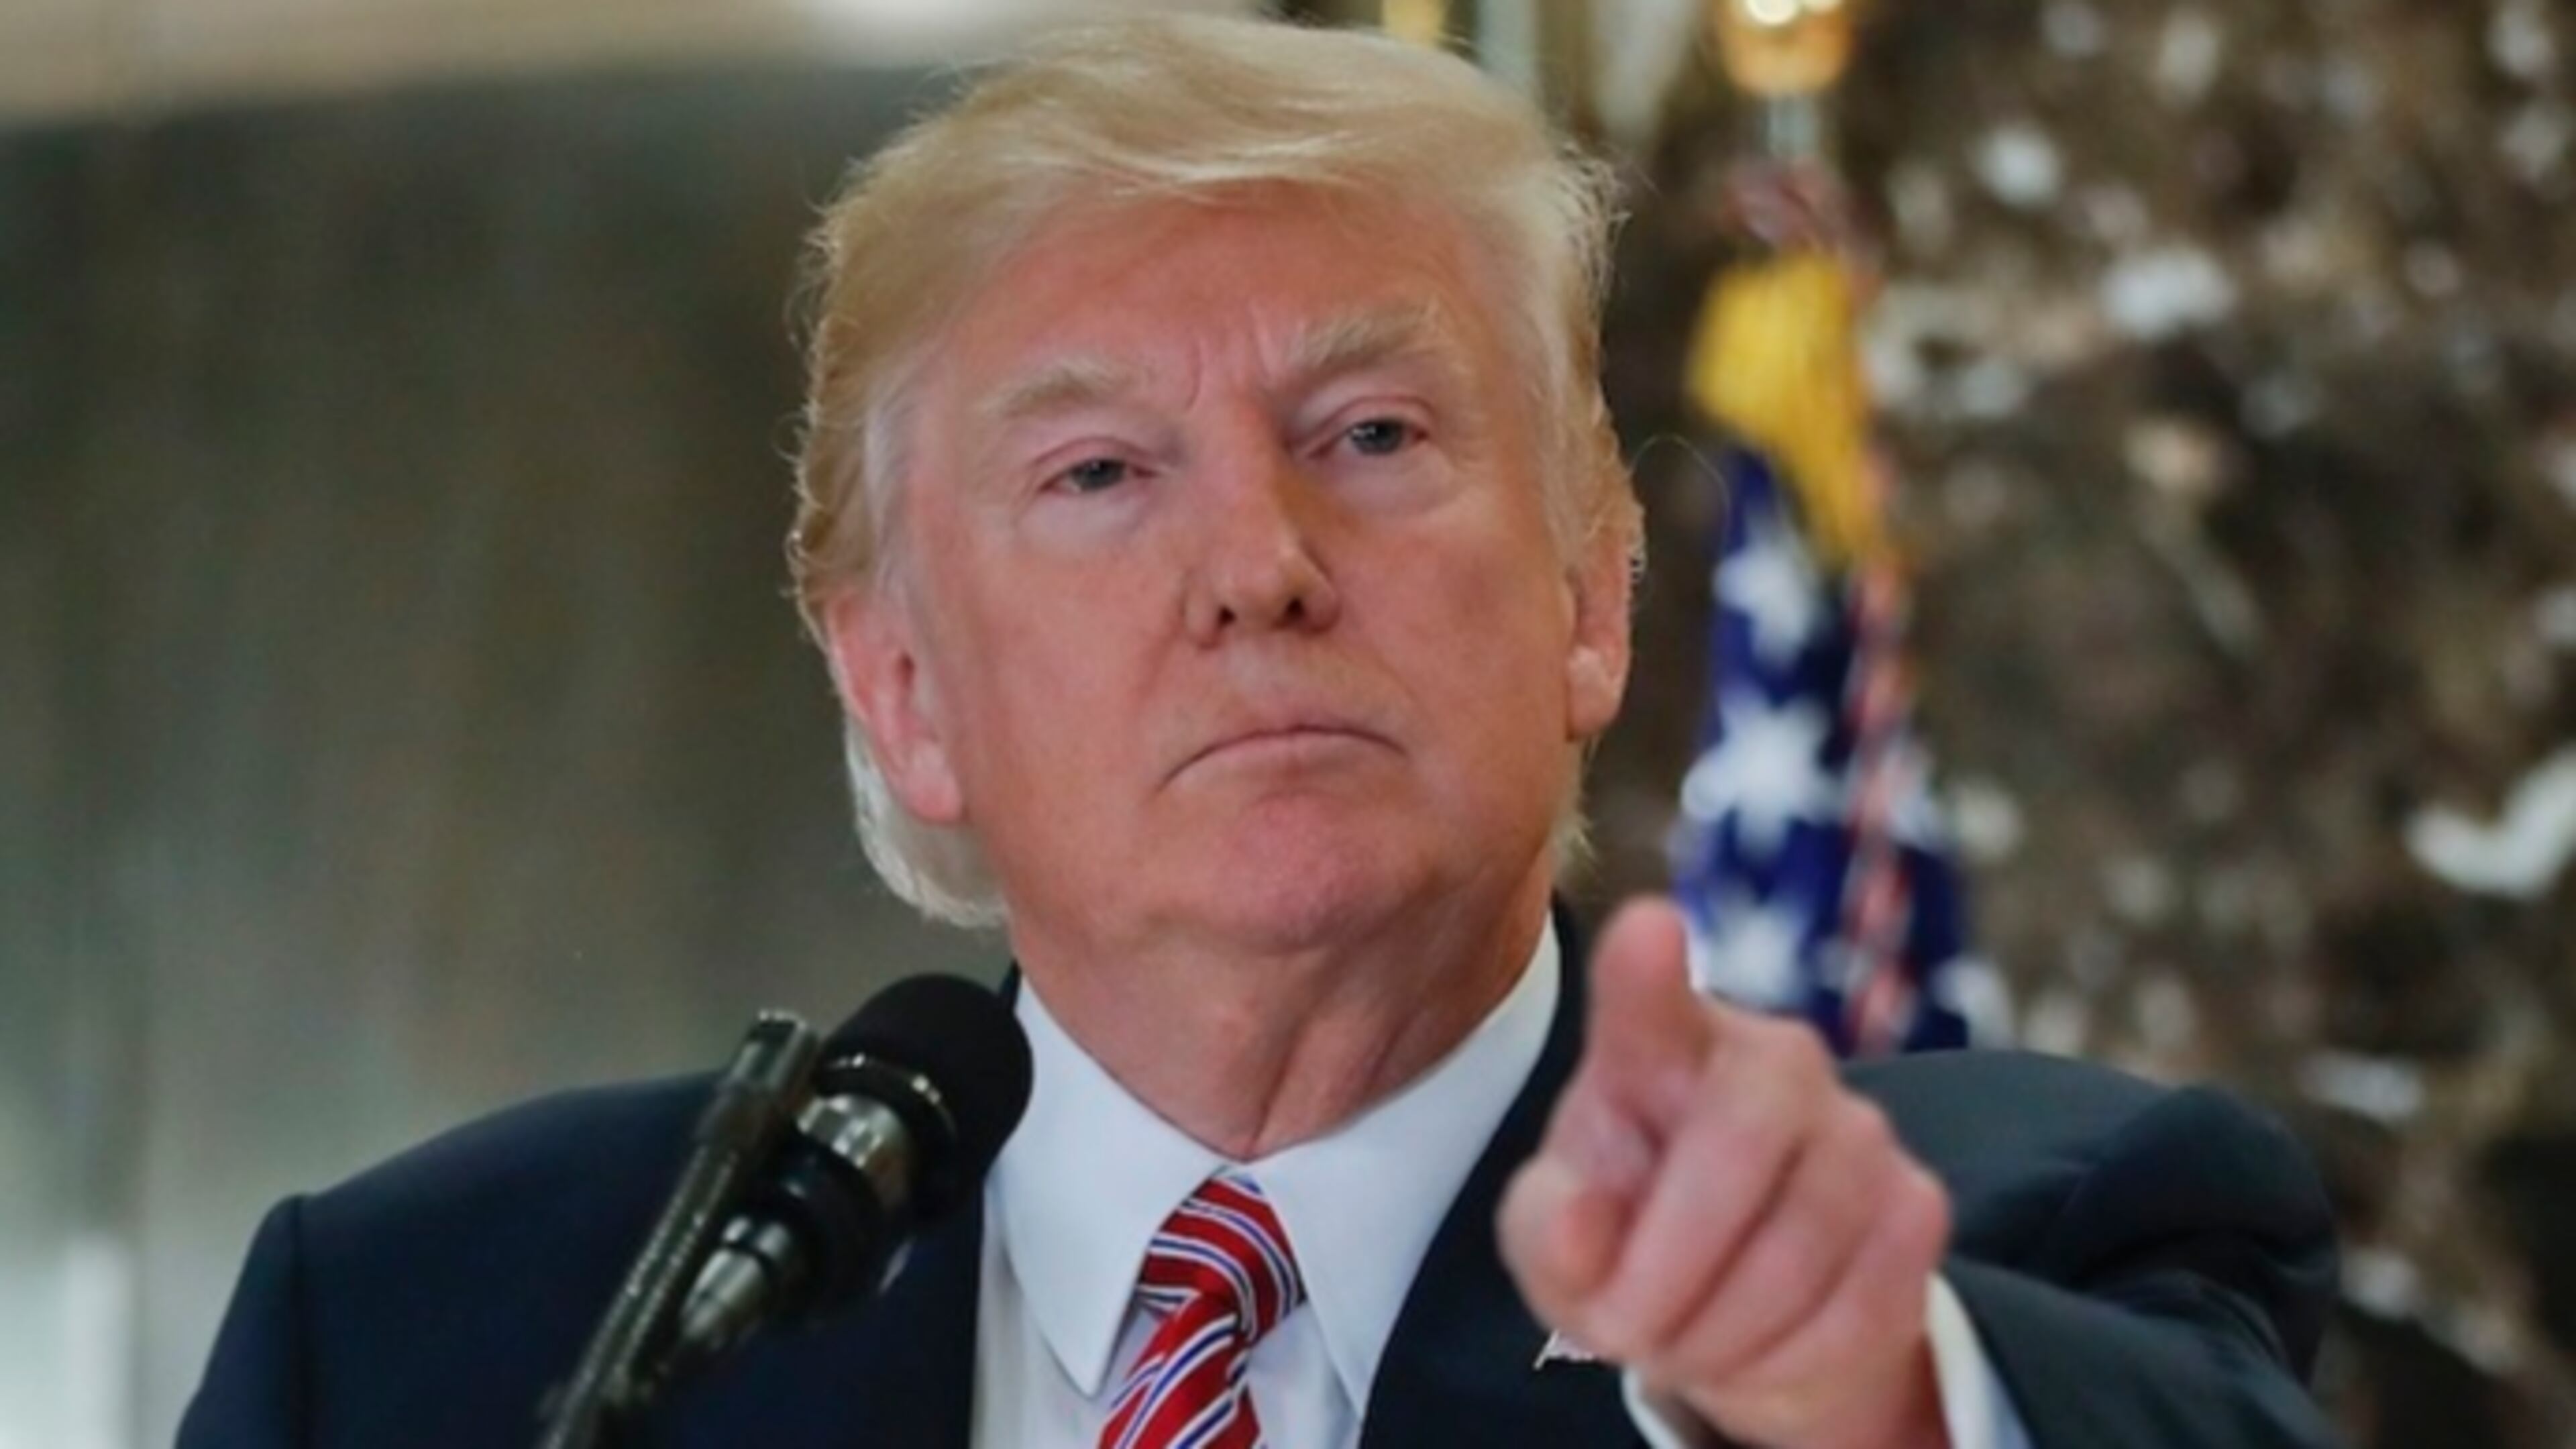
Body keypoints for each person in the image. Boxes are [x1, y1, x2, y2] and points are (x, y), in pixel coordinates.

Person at [180, 15, 2341, 1449]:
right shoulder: (422, 1336)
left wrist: (1856, 1399)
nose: (1260, 566)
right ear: (907, 691)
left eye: (1374, 432)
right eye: (1102, 475)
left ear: (1595, 596)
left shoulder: (2005, 1237)